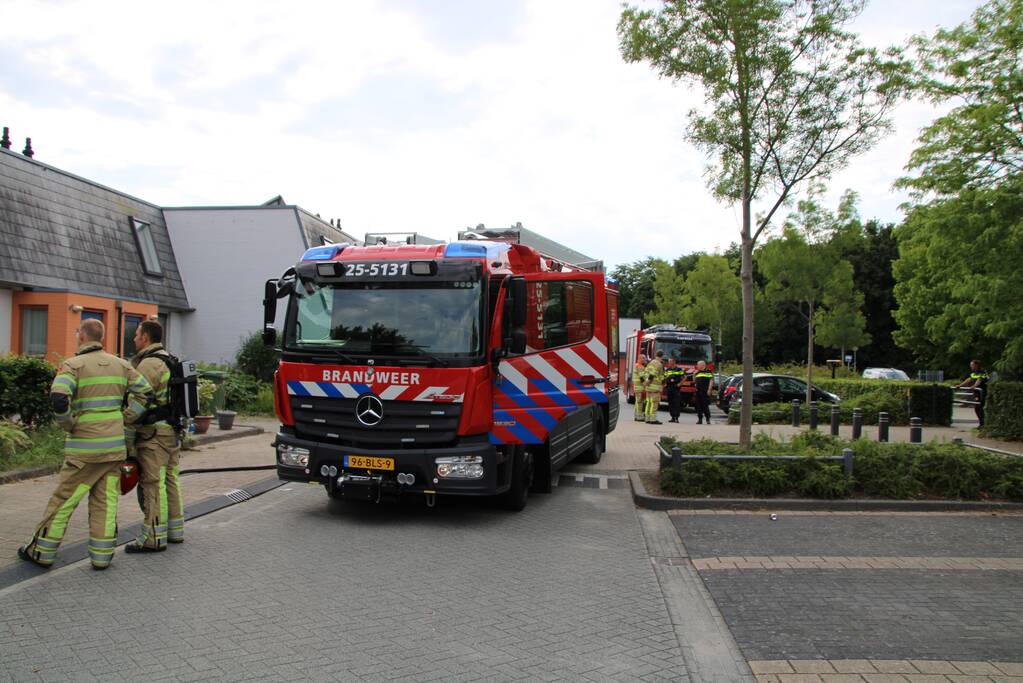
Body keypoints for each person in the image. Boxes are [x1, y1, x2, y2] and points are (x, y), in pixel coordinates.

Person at [18, 319, 151, 570]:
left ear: (81, 336)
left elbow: (59, 397)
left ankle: (42, 552)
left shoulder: (73, 365)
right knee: (106, 501)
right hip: (113, 448)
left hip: (83, 450)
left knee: (64, 500)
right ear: (100, 338)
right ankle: (102, 557)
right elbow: (146, 392)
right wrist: (128, 417)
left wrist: (67, 424)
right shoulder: (121, 365)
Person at [125, 320, 183, 553]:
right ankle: (174, 531)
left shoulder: (149, 364)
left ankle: (153, 538)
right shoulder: (171, 359)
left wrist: (126, 421)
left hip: (154, 435)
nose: (134, 338)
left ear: (146, 337)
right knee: (171, 480)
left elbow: (141, 399)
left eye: (137, 334)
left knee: (152, 483)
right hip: (172, 431)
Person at [956, 360, 989, 428]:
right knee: (977, 408)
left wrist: (974, 386)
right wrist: (960, 385)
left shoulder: (982, 372)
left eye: (972, 365)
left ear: (976, 365)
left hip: (983, 393)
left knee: (980, 408)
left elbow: (979, 380)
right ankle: (981, 424)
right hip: (977, 394)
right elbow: (969, 380)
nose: (971, 366)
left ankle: (983, 424)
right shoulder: (973, 373)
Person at [645, 350, 664, 425]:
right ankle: (653, 419)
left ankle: (647, 418)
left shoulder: (651, 362)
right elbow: (653, 374)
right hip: (655, 387)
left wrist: (647, 383)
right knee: (654, 403)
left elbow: (646, 372)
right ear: (662, 356)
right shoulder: (659, 364)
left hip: (649, 387)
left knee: (648, 402)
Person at [692, 360, 714, 425]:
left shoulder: (708, 371)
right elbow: (694, 380)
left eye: (698, 365)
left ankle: (708, 419)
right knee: (698, 406)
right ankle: (700, 419)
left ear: (702, 365)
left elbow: (711, 381)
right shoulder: (697, 372)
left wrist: (709, 389)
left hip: (705, 391)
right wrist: (694, 374)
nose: (697, 366)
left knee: (705, 405)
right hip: (698, 391)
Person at [664, 357, 684, 423]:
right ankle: (672, 417)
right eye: (668, 361)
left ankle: (676, 417)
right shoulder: (667, 370)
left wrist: (680, 384)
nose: (669, 363)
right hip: (669, 388)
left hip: (676, 388)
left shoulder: (679, 369)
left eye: (670, 361)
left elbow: (684, 377)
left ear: (673, 362)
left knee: (676, 403)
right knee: (670, 403)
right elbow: (665, 378)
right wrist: (665, 383)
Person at [632, 356, 648, 421]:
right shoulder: (640, 366)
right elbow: (642, 378)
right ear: (640, 359)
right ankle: (639, 417)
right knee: (640, 402)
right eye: (643, 358)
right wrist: (645, 385)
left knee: (637, 402)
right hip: (640, 387)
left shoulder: (637, 365)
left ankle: (636, 416)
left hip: (637, 386)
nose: (645, 360)